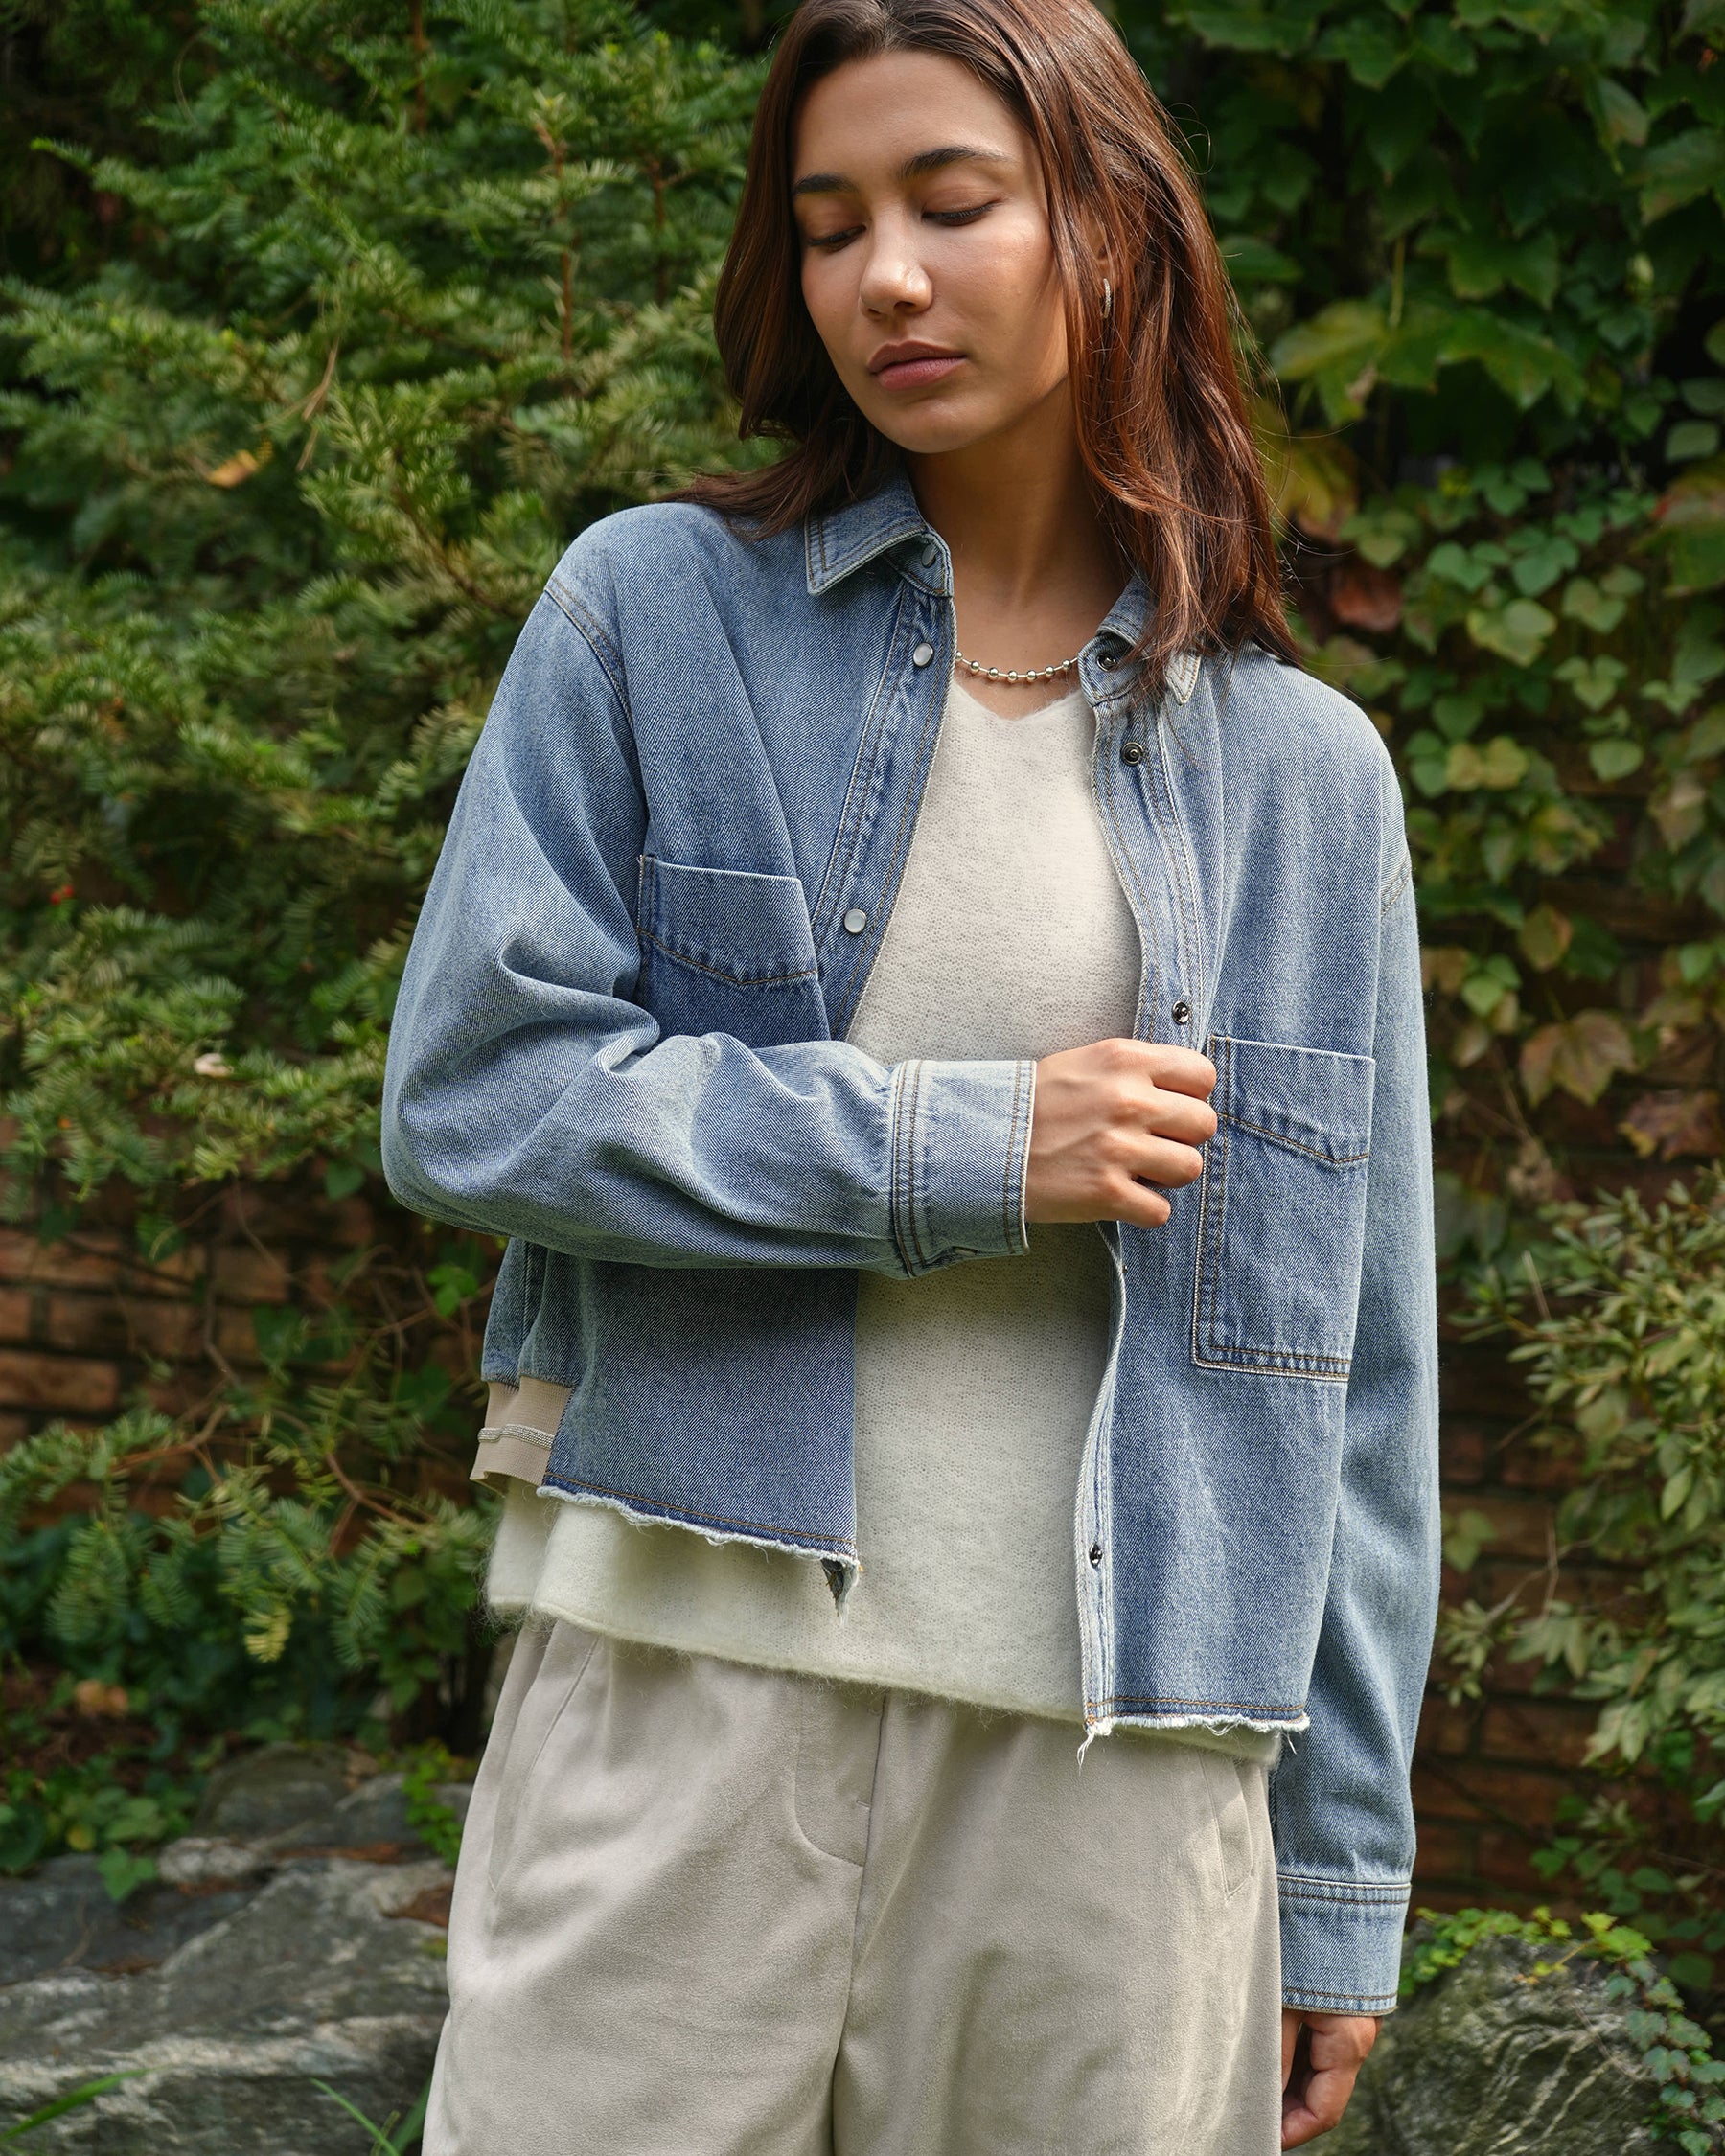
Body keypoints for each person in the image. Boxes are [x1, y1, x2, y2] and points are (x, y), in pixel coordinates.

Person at [381, 0, 1440, 2145]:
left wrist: (1338, 1879)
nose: (883, 277)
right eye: (828, 223)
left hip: (1122, 1788)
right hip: (681, 1704)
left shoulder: (1307, 781)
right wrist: (966, 1145)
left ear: (1110, 225)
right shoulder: (653, 616)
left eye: (953, 204)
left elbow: (1355, 1373)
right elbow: (479, 1088)